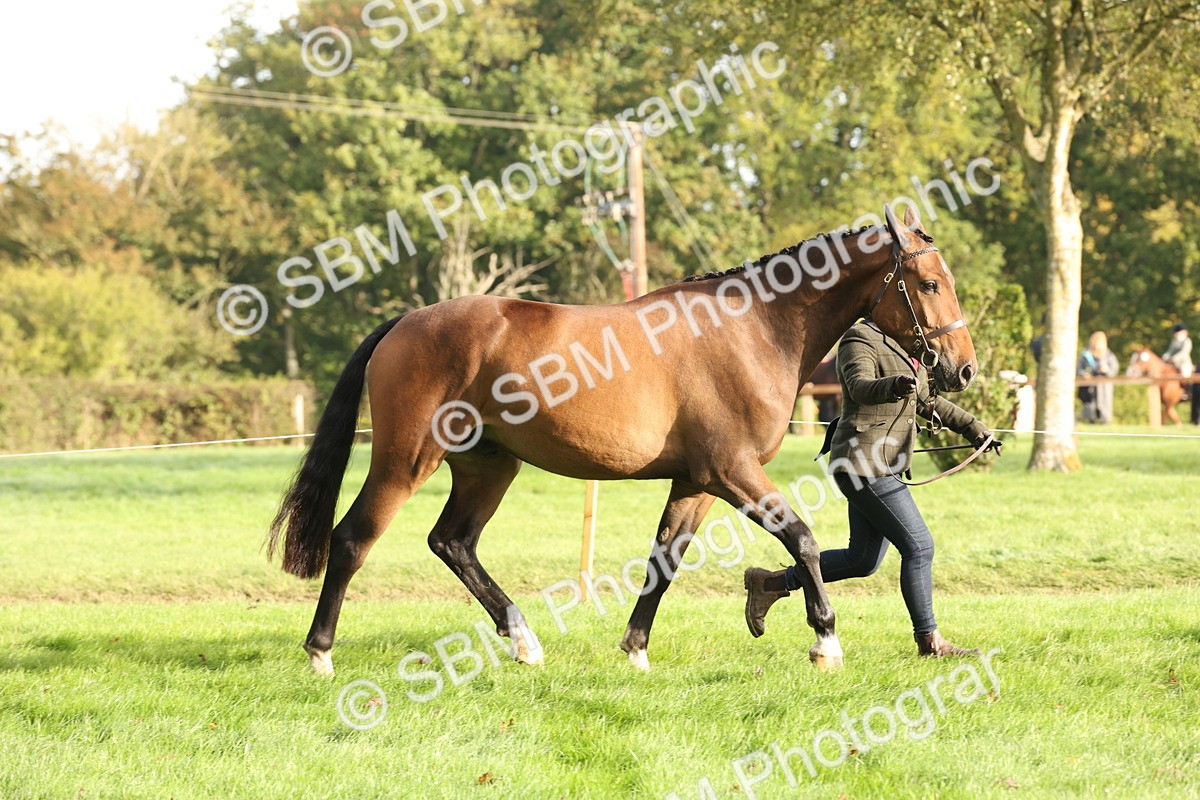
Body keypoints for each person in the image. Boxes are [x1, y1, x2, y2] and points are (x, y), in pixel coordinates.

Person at [744, 319, 1000, 658]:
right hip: (861, 464)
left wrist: (976, 430)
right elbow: (859, 384)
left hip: (886, 465)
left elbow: (927, 402)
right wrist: (892, 386)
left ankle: (771, 583)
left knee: (862, 560)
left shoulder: (908, 343)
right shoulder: (859, 338)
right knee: (919, 547)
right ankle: (930, 642)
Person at [1077, 331, 1119, 424]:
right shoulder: (1085, 355)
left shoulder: (1108, 355)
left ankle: (1105, 421)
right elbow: (1078, 369)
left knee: (1104, 408)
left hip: (1104, 387)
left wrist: (1106, 370)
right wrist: (1083, 374)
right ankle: (1090, 421)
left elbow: (1114, 369)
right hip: (1089, 387)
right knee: (1090, 407)